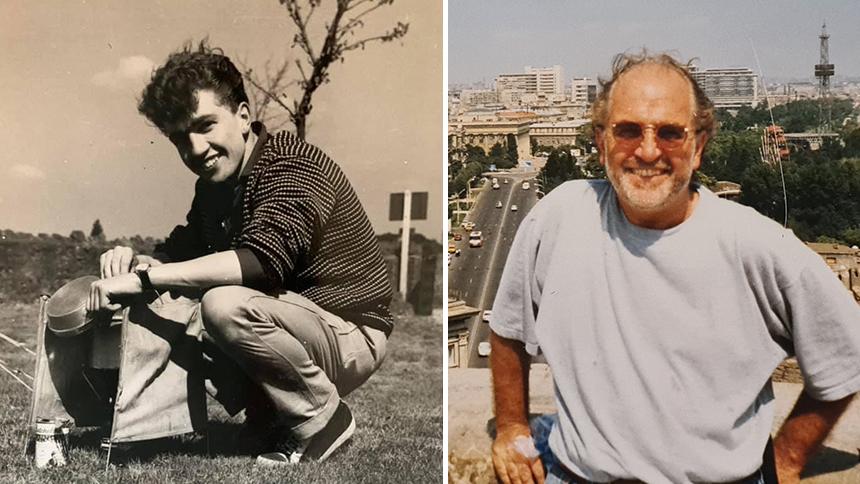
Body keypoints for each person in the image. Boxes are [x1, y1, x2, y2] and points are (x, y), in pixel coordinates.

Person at [489, 52, 860, 484]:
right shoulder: (558, 218)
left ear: (698, 146)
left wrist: (789, 458)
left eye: (669, 133)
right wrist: (512, 428)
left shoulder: (757, 245)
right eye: (628, 130)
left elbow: (846, 353)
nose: (648, 151)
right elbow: (508, 330)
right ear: (600, 141)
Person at [86, 42, 393, 465]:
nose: (196, 149)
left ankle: (326, 420)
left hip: (352, 333)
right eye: (180, 138)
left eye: (206, 125)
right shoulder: (215, 186)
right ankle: (261, 418)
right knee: (180, 297)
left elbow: (259, 263)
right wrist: (134, 262)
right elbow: (179, 257)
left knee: (223, 303)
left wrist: (145, 279)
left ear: (244, 116)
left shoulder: (293, 162)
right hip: (297, 325)